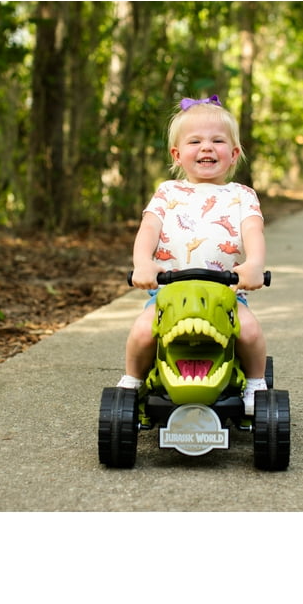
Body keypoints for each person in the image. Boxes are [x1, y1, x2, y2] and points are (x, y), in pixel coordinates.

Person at [117, 95, 268, 415]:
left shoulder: (241, 195)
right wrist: (142, 262)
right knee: (144, 330)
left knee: (250, 330)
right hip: (169, 293)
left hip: (226, 294)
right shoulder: (168, 192)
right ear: (177, 154)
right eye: (195, 141)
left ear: (234, 154)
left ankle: (256, 384)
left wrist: (253, 264)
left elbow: (253, 232)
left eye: (218, 140)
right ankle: (132, 379)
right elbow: (148, 229)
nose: (207, 147)